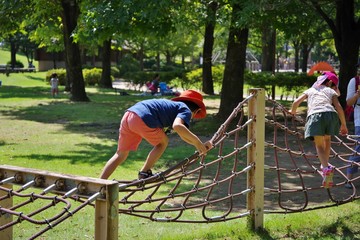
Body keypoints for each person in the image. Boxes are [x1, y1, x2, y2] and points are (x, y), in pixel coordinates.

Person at [100, 90, 212, 180]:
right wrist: (198, 142)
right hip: (143, 116)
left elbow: (182, 134)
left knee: (121, 153)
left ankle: (100, 181)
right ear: (196, 111)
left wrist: (199, 146)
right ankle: (144, 172)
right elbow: (177, 126)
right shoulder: (186, 110)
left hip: (129, 114)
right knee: (163, 143)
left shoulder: (175, 106)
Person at [290, 72, 348, 188]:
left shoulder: (311, 90)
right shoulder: (331, 91)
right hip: (331, 115)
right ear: (331, 83)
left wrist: (292, 112)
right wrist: (343, 125)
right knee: (327, 140)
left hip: (316, 115)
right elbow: (339, 107)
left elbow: (296, 102)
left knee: (319, 145)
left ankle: (325, 168)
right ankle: (325, 165)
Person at [345, 63, 360, 188]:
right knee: (358, 149)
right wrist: (357, 94)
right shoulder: (354, 81)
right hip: (359, 120)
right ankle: (348, 178)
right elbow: (349, 102)